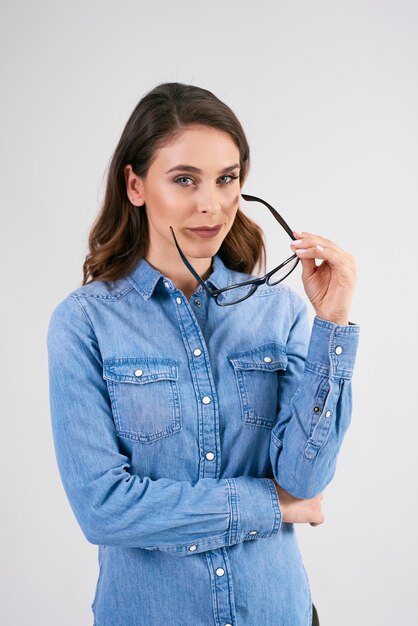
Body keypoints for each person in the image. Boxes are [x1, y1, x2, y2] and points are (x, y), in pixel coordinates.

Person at [46, 82, 359, 626]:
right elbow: (104, 509)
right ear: (136, 184)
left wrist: (331, 324)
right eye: (185, 179)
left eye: (227, 179)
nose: (211, 204)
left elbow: (306, 481)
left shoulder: (278, 311)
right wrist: (271, 506)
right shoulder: (85, 322)